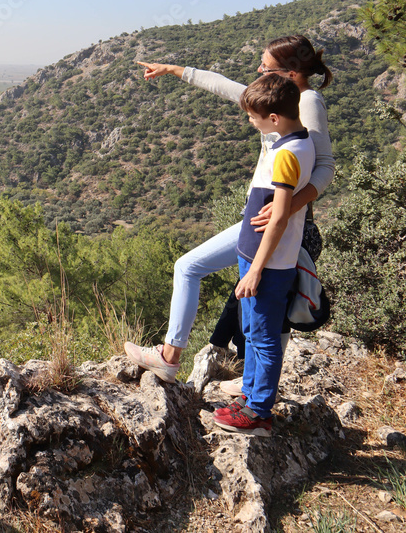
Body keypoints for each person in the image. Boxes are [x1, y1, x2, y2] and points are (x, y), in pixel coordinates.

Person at [124, 35, 334, 382]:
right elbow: (227, 87)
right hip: (265, 219)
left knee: (265, 315)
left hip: (282, 225)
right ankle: (247, 393)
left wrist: (290, 206)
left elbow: (325, 166)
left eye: (265, 67)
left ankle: (243, 393)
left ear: (292, 72)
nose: (257, 71)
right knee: (261, 312)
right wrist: (175, 70)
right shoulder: (277, 97)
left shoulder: (307, 101)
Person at [212, 74, 314, 435]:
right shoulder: (298, 141)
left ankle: (258, 413)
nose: (250, 121)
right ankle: (251, 396)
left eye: (254, 116)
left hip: (267, 263)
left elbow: (279, 218)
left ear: (274, 118)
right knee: (253, 331)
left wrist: (255, 270)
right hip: (260, 257)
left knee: (264, 336)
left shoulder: (288, 153)